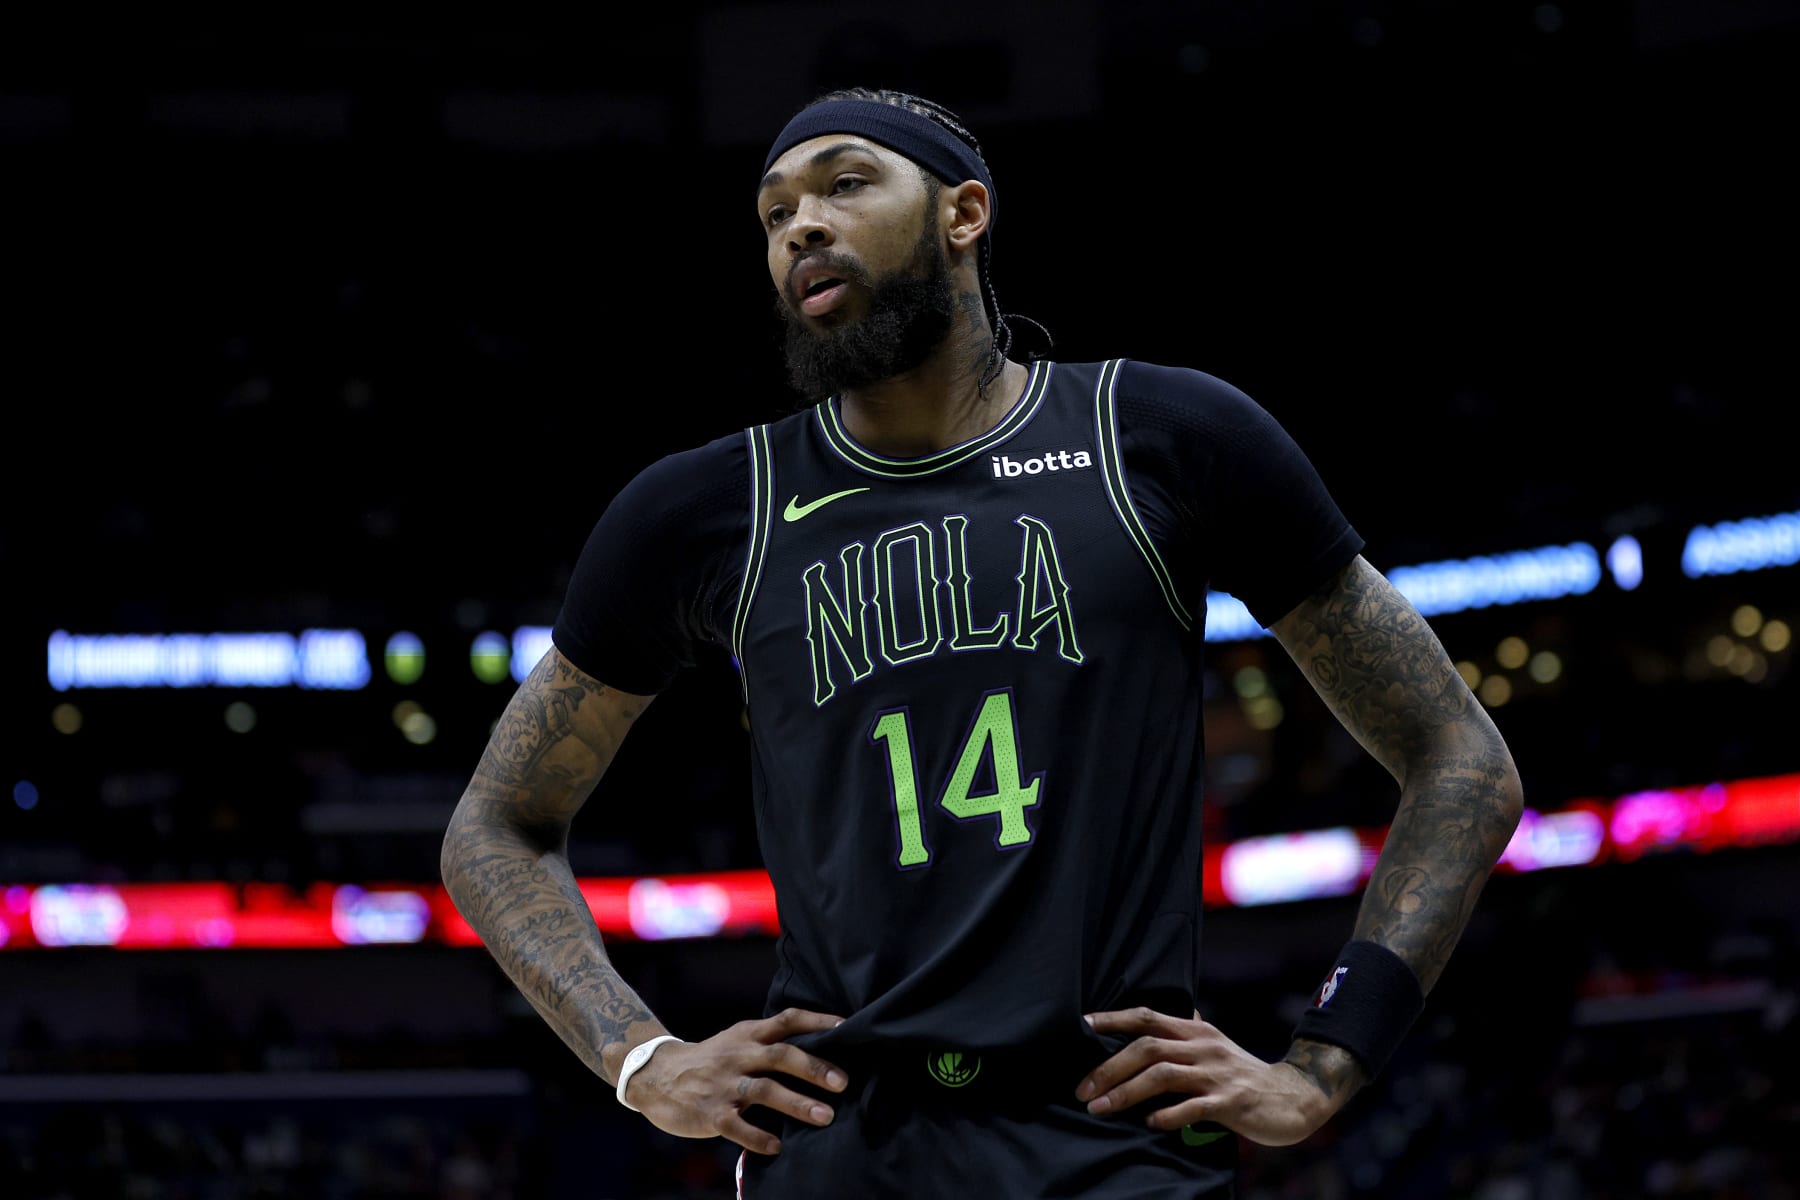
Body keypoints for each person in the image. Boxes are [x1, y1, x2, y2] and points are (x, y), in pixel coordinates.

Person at [440, 86, 1524, 1198]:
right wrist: (641, 1060)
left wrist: (1324, 1065)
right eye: (772, 214)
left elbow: (1462, 761)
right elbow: (494, 827)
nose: (800, 227)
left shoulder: (1159, 437)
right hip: (840, 1151)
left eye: (846, 184)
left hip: (1115, 1146)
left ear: (965, 214)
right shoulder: (706, 510)